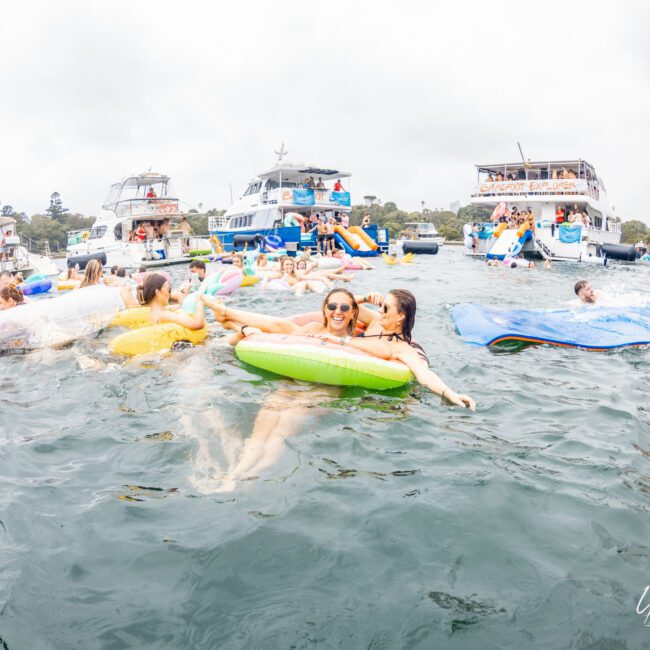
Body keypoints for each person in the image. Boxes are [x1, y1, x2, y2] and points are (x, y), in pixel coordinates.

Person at [137, 273, 205, 329]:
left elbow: (180, 307)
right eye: (168, 289)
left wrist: (185, 294)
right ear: (157, 292)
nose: (169, 294)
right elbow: (197, 325)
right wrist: (199, 302)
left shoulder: (154, 312)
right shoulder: (163, 315)